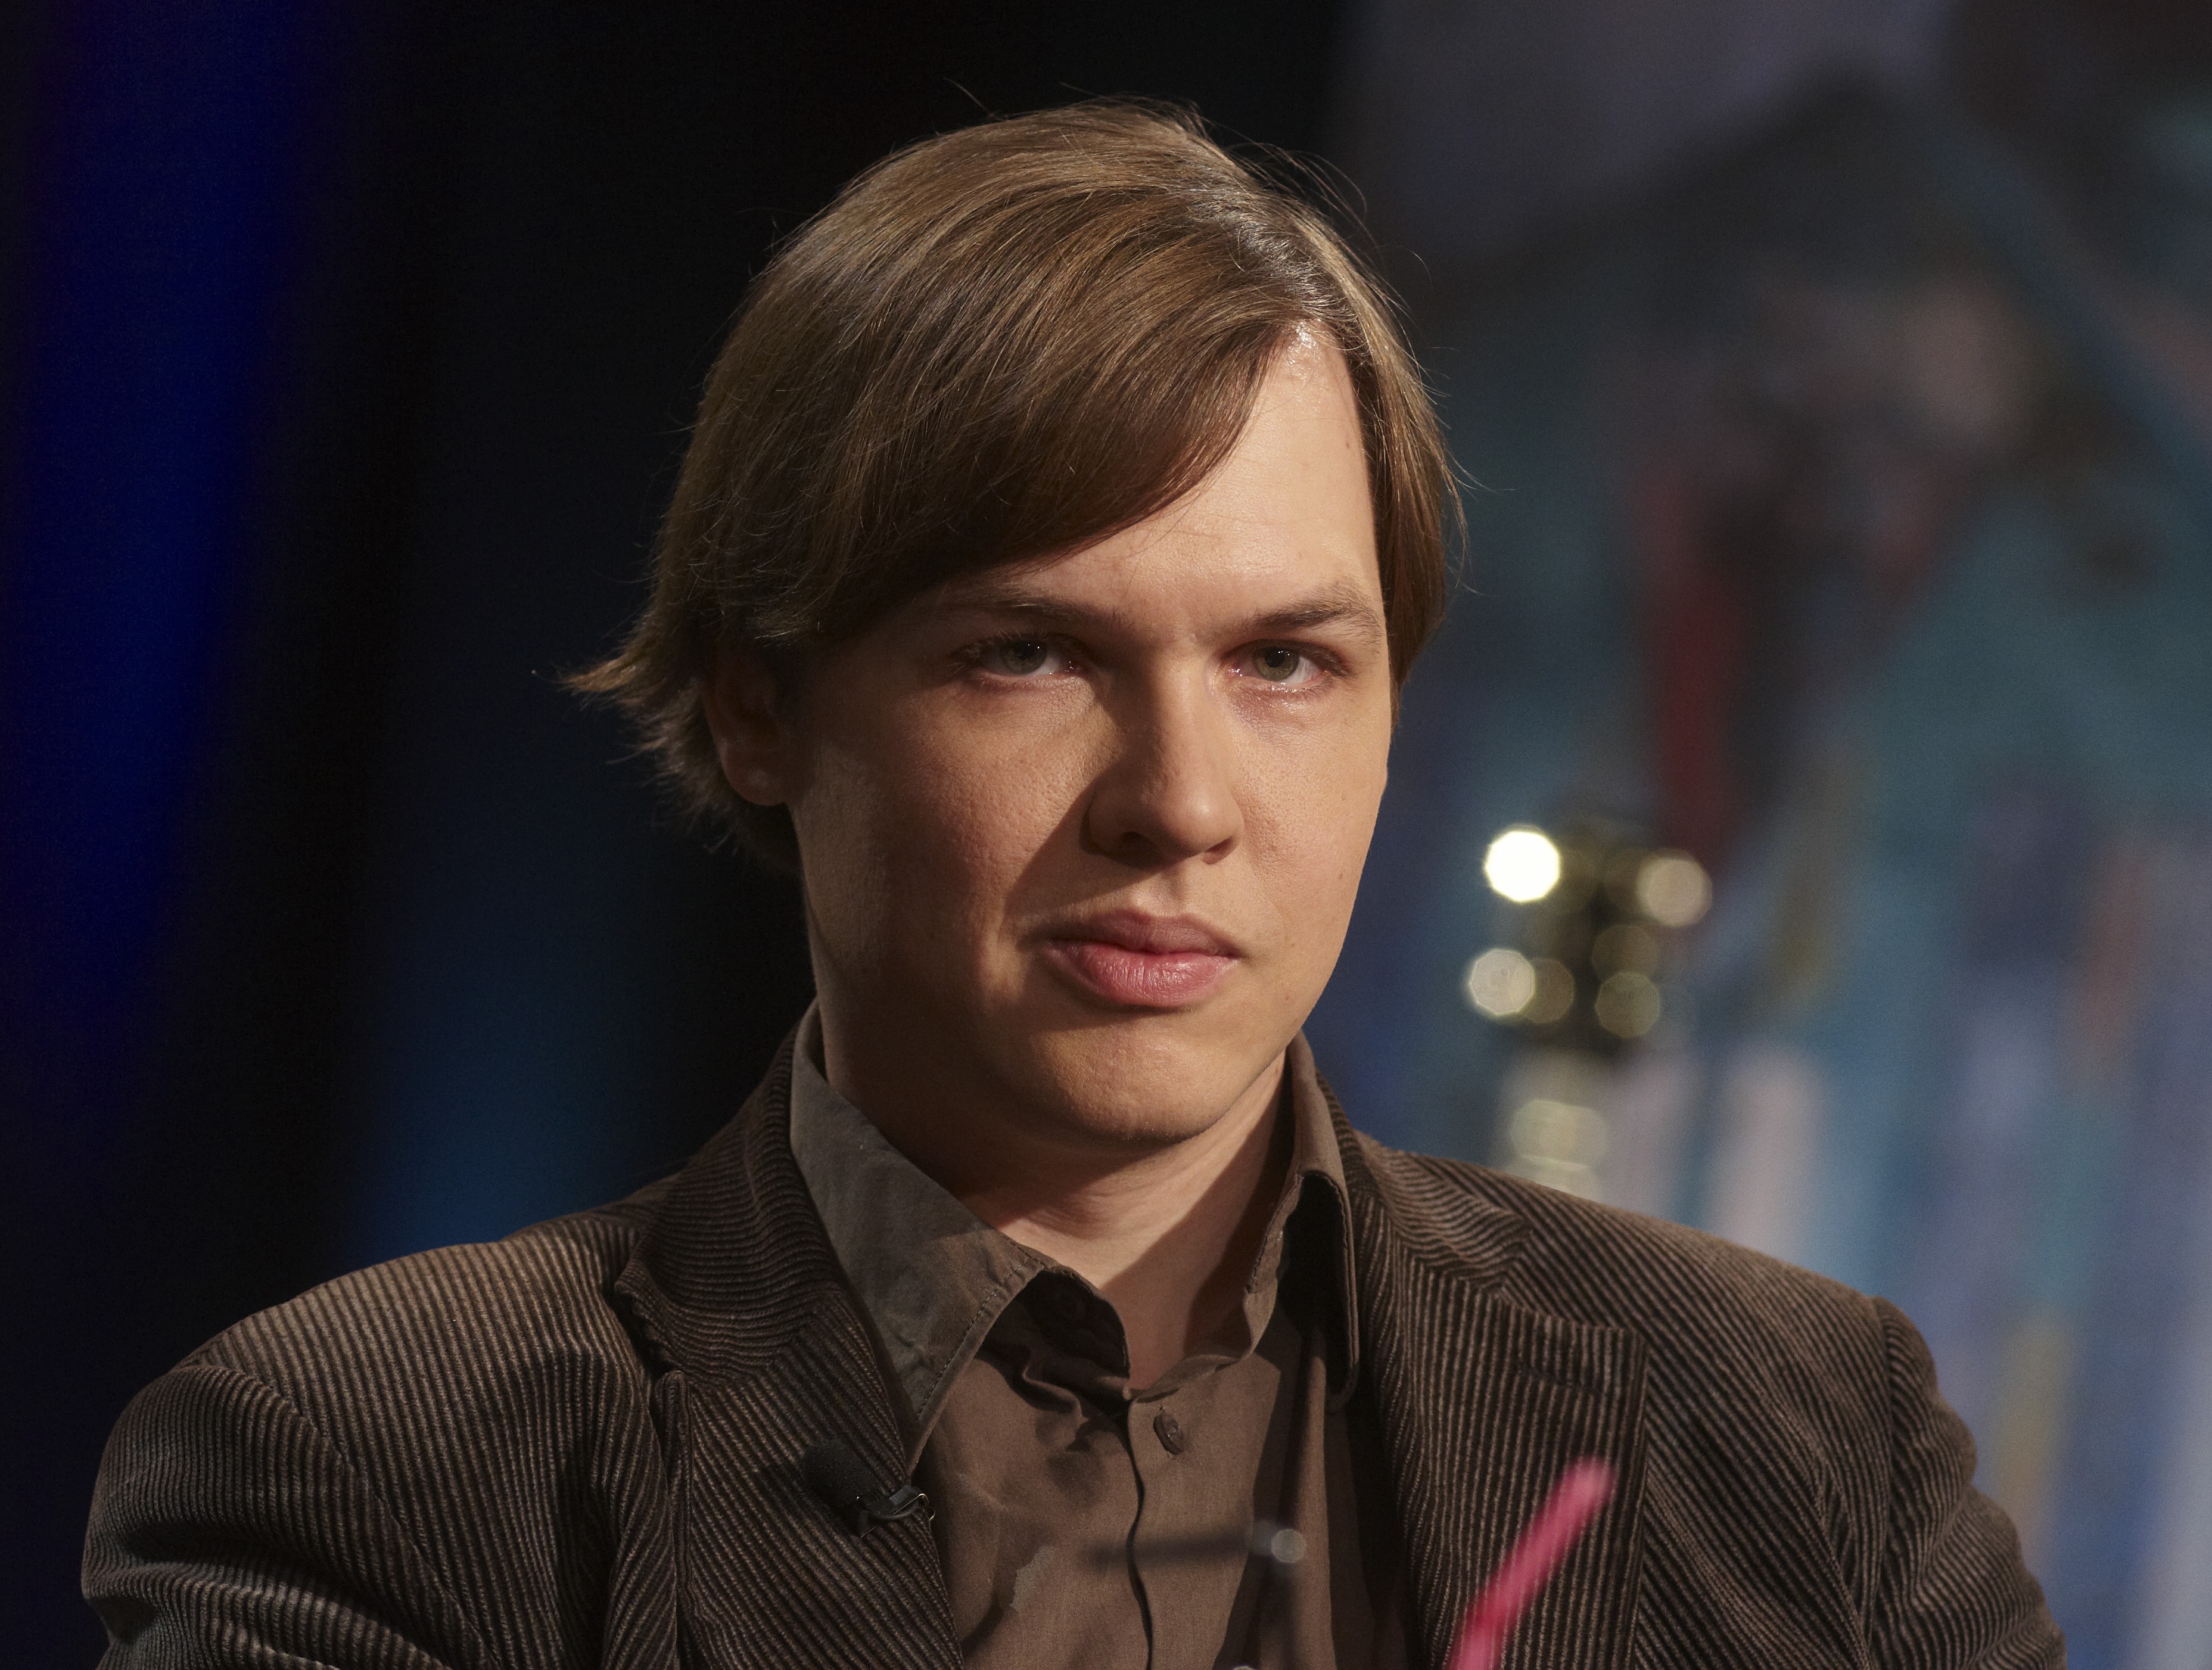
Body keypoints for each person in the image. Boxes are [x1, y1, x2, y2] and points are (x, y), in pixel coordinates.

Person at [83, 102, 2062, 1669]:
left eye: (1283, 661)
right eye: (1029, 653)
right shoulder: (389, 1465)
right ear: (760, 704)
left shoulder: (1803, 1435)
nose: (1180, 802)